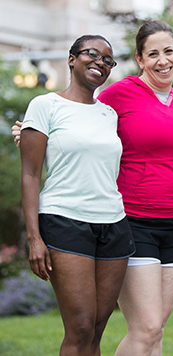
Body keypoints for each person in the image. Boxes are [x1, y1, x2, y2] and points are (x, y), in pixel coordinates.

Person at [20, 35, 135, 356]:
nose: (100, 62)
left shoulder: (108, 114)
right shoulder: (45, 105)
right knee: (80, 326)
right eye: (92, 54)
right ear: (72, 59)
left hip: (113, 225)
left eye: (108, 60)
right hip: (65, 222)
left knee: (97, 327)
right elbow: (30, 175)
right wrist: (34, 238)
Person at [96, 20, 173, 355]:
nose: (162, 60)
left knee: (155, 331)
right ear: (140, 60)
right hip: (133, 223)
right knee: (147, 327)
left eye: (168, 51)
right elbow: (82, 124)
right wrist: (36, 131)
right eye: (152, 54)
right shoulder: (118, 95)